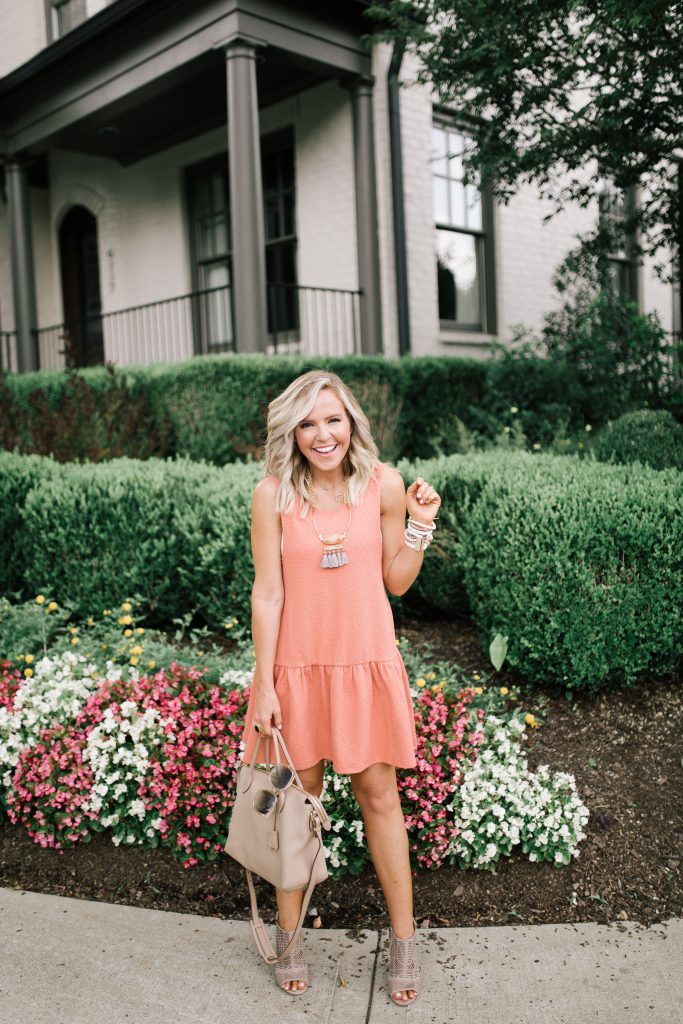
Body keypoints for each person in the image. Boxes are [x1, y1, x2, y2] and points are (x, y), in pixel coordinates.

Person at [239, 368, 441, 1006]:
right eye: (307, 423)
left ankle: (405, 944)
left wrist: (420, 524)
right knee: (295, 811)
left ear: (350, 421)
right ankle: (290, 936)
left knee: (380, 799)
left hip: (365, 664)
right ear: (291, 432)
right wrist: (264, 683)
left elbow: (398, 581)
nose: (322, 434)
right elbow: (267, 593)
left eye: (332, 419)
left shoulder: (381, 484)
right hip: (296, 673)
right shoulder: (272, 496)